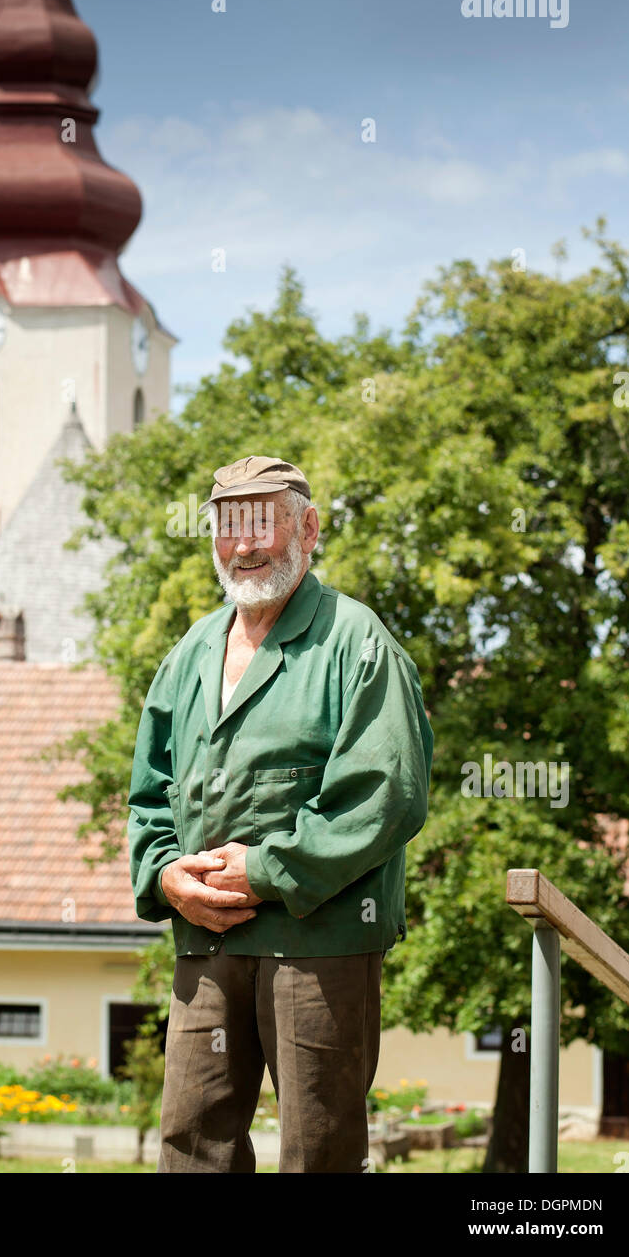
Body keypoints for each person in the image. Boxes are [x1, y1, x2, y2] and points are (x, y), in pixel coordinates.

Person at [127, 456, 433, 1173]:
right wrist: (166, 874)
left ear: (308, 527)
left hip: (320, 943)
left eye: (262, 522)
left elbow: (387, 797)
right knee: (192, 1145)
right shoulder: (190, 653)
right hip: (205, 943)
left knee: (317, 1150)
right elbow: (148, 792)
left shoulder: (357, 642)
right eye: (228, 526)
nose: (246, 544)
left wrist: (266, 870)